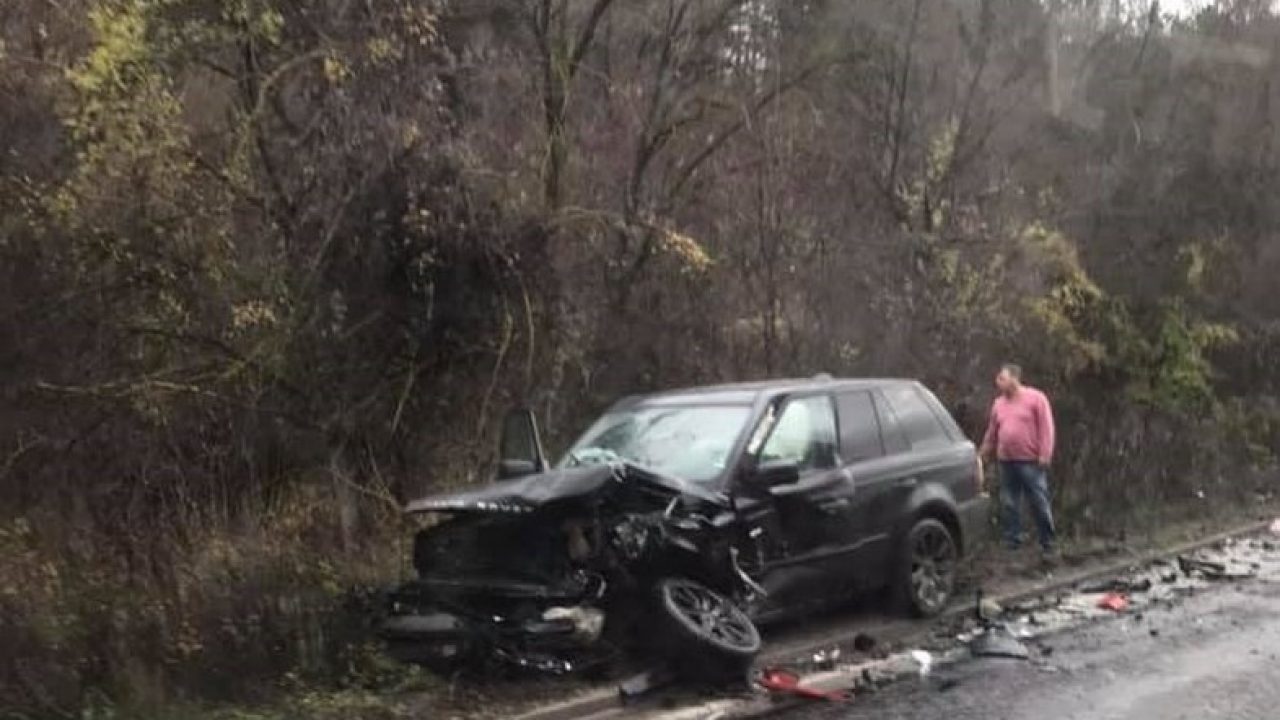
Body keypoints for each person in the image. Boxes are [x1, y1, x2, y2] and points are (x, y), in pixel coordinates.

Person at [979, 363, 1057, 557]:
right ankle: (1012, 540)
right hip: (1006, 461)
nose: (998, 382)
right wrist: (984, 452)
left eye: (1002, 378)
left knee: (1038, 500)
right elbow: (992, 431)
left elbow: (1046, 428)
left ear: (1014, 379)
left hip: (1030, 460)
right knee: (1009, 502)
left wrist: (1045, 453)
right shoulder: (999, 404)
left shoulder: (1036, 398)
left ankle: (1047, 541)